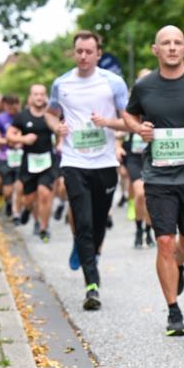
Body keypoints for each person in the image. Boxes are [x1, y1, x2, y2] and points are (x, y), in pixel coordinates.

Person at [122, 25, 184, 336]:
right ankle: (173, 311)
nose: (171, 47)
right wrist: (138, 129)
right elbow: (130, 114)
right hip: (158, 174)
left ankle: (178, 264)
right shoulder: (144, 86)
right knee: (165, 241)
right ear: (155, 50)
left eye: (177, 42)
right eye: (165, 43)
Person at [47, 30, 129, 311]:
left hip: (105, 162)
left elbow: (129, 121)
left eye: (88, 52)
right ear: (74, 53)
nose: (83, 56)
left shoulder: (113, 83)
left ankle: (89, 252)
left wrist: (107, 122)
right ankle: (91, 284)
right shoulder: (62, 84)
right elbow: (50, 113)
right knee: (82, 222)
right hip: (74, 161)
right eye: (79, 51)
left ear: (98, 54)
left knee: (98, 222)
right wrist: (57, 127)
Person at [7, 84, 58, 242]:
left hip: (48, 161)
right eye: (36, 94)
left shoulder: (51, 115)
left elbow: (61, 130)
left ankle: (44, 227)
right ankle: (27, 210)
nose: (39, 97)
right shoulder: (22, 116)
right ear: (31, 97)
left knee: (44, 193)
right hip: (29, 162)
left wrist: (61, 143)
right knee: (28, 199)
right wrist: (23, 139)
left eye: (42, 94)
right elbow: (9, 135)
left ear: (46, 96)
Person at [123, 68, 154, 249]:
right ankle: (138, 229)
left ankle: (148, 231)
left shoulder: (160, 101)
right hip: (134, 157)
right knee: (141, 193)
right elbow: (123, 124)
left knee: (150, 197)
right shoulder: (131, 104)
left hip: (155, 156)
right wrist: (117, 146)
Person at [0, 95, 23, 219]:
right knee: (8, 190)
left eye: (15, 104)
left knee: (20, 186)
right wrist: (7, 141)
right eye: (9, 105)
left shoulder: (25, 116)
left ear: (19, 104)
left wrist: (21, 141)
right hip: (5, 157)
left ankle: (16, 212)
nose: (12, 107)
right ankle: (9, 202)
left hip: (22, 156)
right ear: (4, 105)